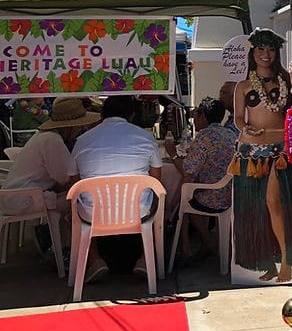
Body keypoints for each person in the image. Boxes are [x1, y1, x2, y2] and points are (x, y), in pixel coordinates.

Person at [230, 28, 292, 284]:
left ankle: (286, 261)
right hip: (249, 153)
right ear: (253, 52)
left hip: (279, 152)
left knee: (274, 203)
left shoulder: (285, 83)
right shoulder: (242, 87)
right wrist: (244, 128)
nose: (266, 54)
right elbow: (239, 118)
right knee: (255, 209)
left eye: (271, 49)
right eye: (261, 49)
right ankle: (267, 263)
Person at [71, 95, 166, 277]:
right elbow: (156, 181)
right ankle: (145, 258)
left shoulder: (82, 140)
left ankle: (94, 258)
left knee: (75, 205)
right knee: (157, 198)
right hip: (138, 211)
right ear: (131, 115)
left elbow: (73, 181)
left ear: (101, 114)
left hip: (93, 213)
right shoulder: (146, 137)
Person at [0, 98, 99, 253]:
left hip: (16, 196)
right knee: (82, 200)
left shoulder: (46, 136)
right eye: (80, 126)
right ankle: (67, 248)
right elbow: (67, 179)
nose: (82, 129)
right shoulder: (52, 140)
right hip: (24, 199)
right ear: (71, 126)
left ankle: (58, 241)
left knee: (74, 197)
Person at [164, 96, 235, 262]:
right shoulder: (229, 134)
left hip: (212, 196)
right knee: (189, 190)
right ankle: (192, 246)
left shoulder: (204, 137)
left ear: (203, 117)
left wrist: (172, 153)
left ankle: (204, 244)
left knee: (185, 196)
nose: (194, 119)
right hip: (231, 192)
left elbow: (187, 171)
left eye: (196, 115)